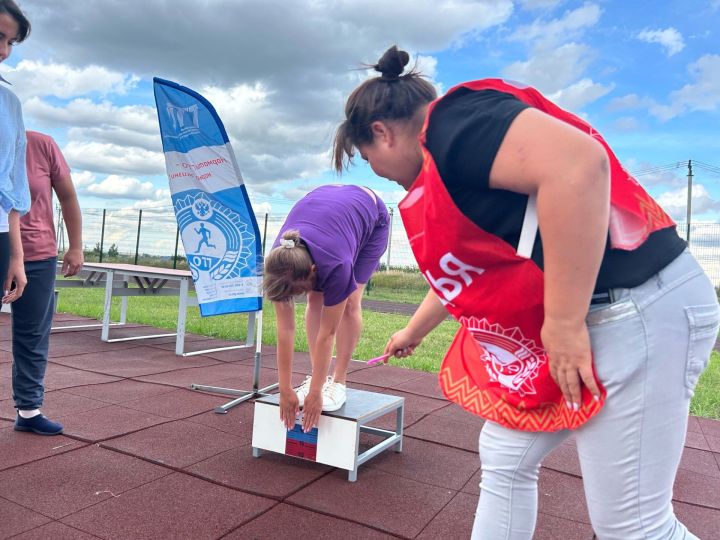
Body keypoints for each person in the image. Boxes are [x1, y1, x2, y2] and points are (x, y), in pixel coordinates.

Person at [332, 45, 720, 540]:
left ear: (382, 133)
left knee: (634, 527)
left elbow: (579, 164)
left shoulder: (453, 125)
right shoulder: (455, 163)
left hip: (636, 308)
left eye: (368, 159)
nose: (379, 173)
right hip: (608, 312)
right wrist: (412, 329)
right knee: (505, 455)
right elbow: (472, 274)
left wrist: (561, 324)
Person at [264, 184, 389, 433]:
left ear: (313, 270)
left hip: (372, 218)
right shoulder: (280, 263)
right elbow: (285, 331)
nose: (295, 297)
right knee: (315, 299)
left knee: (350, 302)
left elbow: (328, 333)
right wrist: (285, 388)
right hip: (328, 207)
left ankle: (339, 380)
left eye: (300, 289)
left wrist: (317, 392)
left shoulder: (336, 264)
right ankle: (317, 374)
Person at [10, 130, 82, 436]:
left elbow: (67, 196)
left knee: (32, 335)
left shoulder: (41, 144)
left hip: (38, 255)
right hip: (3, 248)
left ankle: (28, 410)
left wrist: (76, 245)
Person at [0, 0, 30, 310]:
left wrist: (16, 256)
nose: (5, 52)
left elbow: (12, 186)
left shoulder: (9, 105)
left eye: (10, 42)